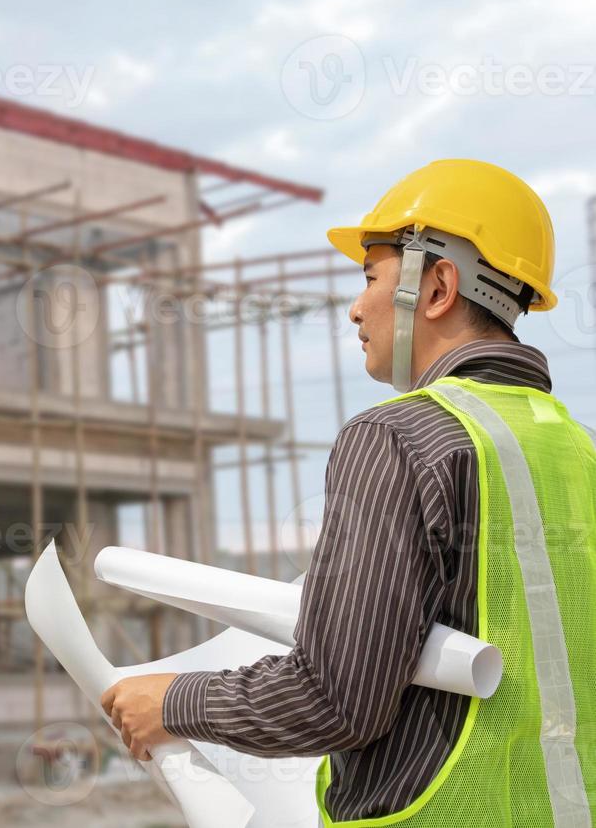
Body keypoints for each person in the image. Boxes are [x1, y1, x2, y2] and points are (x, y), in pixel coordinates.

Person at [100, 159, 596, 824]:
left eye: (371, 277)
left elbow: (335, 697)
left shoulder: (399, 437)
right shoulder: (579, 449)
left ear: (438, 285)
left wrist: (169, 701)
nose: (356, 307)